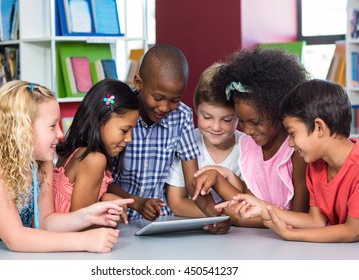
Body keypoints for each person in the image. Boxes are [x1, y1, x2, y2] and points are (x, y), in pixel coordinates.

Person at [0, 80, 133, 253]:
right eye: (53, 126)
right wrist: (84, 240)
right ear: (23, 129)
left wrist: (88, 216)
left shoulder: (40, 162)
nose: (61, 134)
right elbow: (15, 238)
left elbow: (46, 222)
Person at [219, 79, 359, 242]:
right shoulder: (316, 166)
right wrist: (263, 208)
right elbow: (316, 221)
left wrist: (290, 234)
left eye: (292, 133)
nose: (290, 143)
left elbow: (353, 231)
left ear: (319, 127)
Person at [107, 45, 226, 233]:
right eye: (158, 97)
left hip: (161, 222)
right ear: (139, 83)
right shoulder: (119, 116)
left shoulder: (182, 117)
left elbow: (191, 181)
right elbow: (104, 181)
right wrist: (137, 203)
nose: (164, 107)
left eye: (174, 100)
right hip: (119, 220)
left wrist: (214, 215)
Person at [193, 47, 310, 227]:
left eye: (255, 122)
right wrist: (216, 177)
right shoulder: (249, 145)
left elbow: (298, 217)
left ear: (279, 111)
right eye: (241, 121)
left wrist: (239, 217)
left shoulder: (296, 151)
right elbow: (248, 204)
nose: (247, 130)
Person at [53, 79, 139, 225]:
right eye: (124, 130)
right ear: (98, 120)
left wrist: (103, 199)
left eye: (132, 131)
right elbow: (81, 225)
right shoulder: (94, 159)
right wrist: (109, 215)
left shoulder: (71, 153)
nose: (129, 138)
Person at [166, 62, 244, 217]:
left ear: (240, 115)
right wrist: (217, 215)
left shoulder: (247, 148)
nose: (216, 127)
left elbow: (250, 198)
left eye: (227, 120)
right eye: (207, 117)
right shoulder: (186, 142)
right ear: (196, 108)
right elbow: (177, 202)